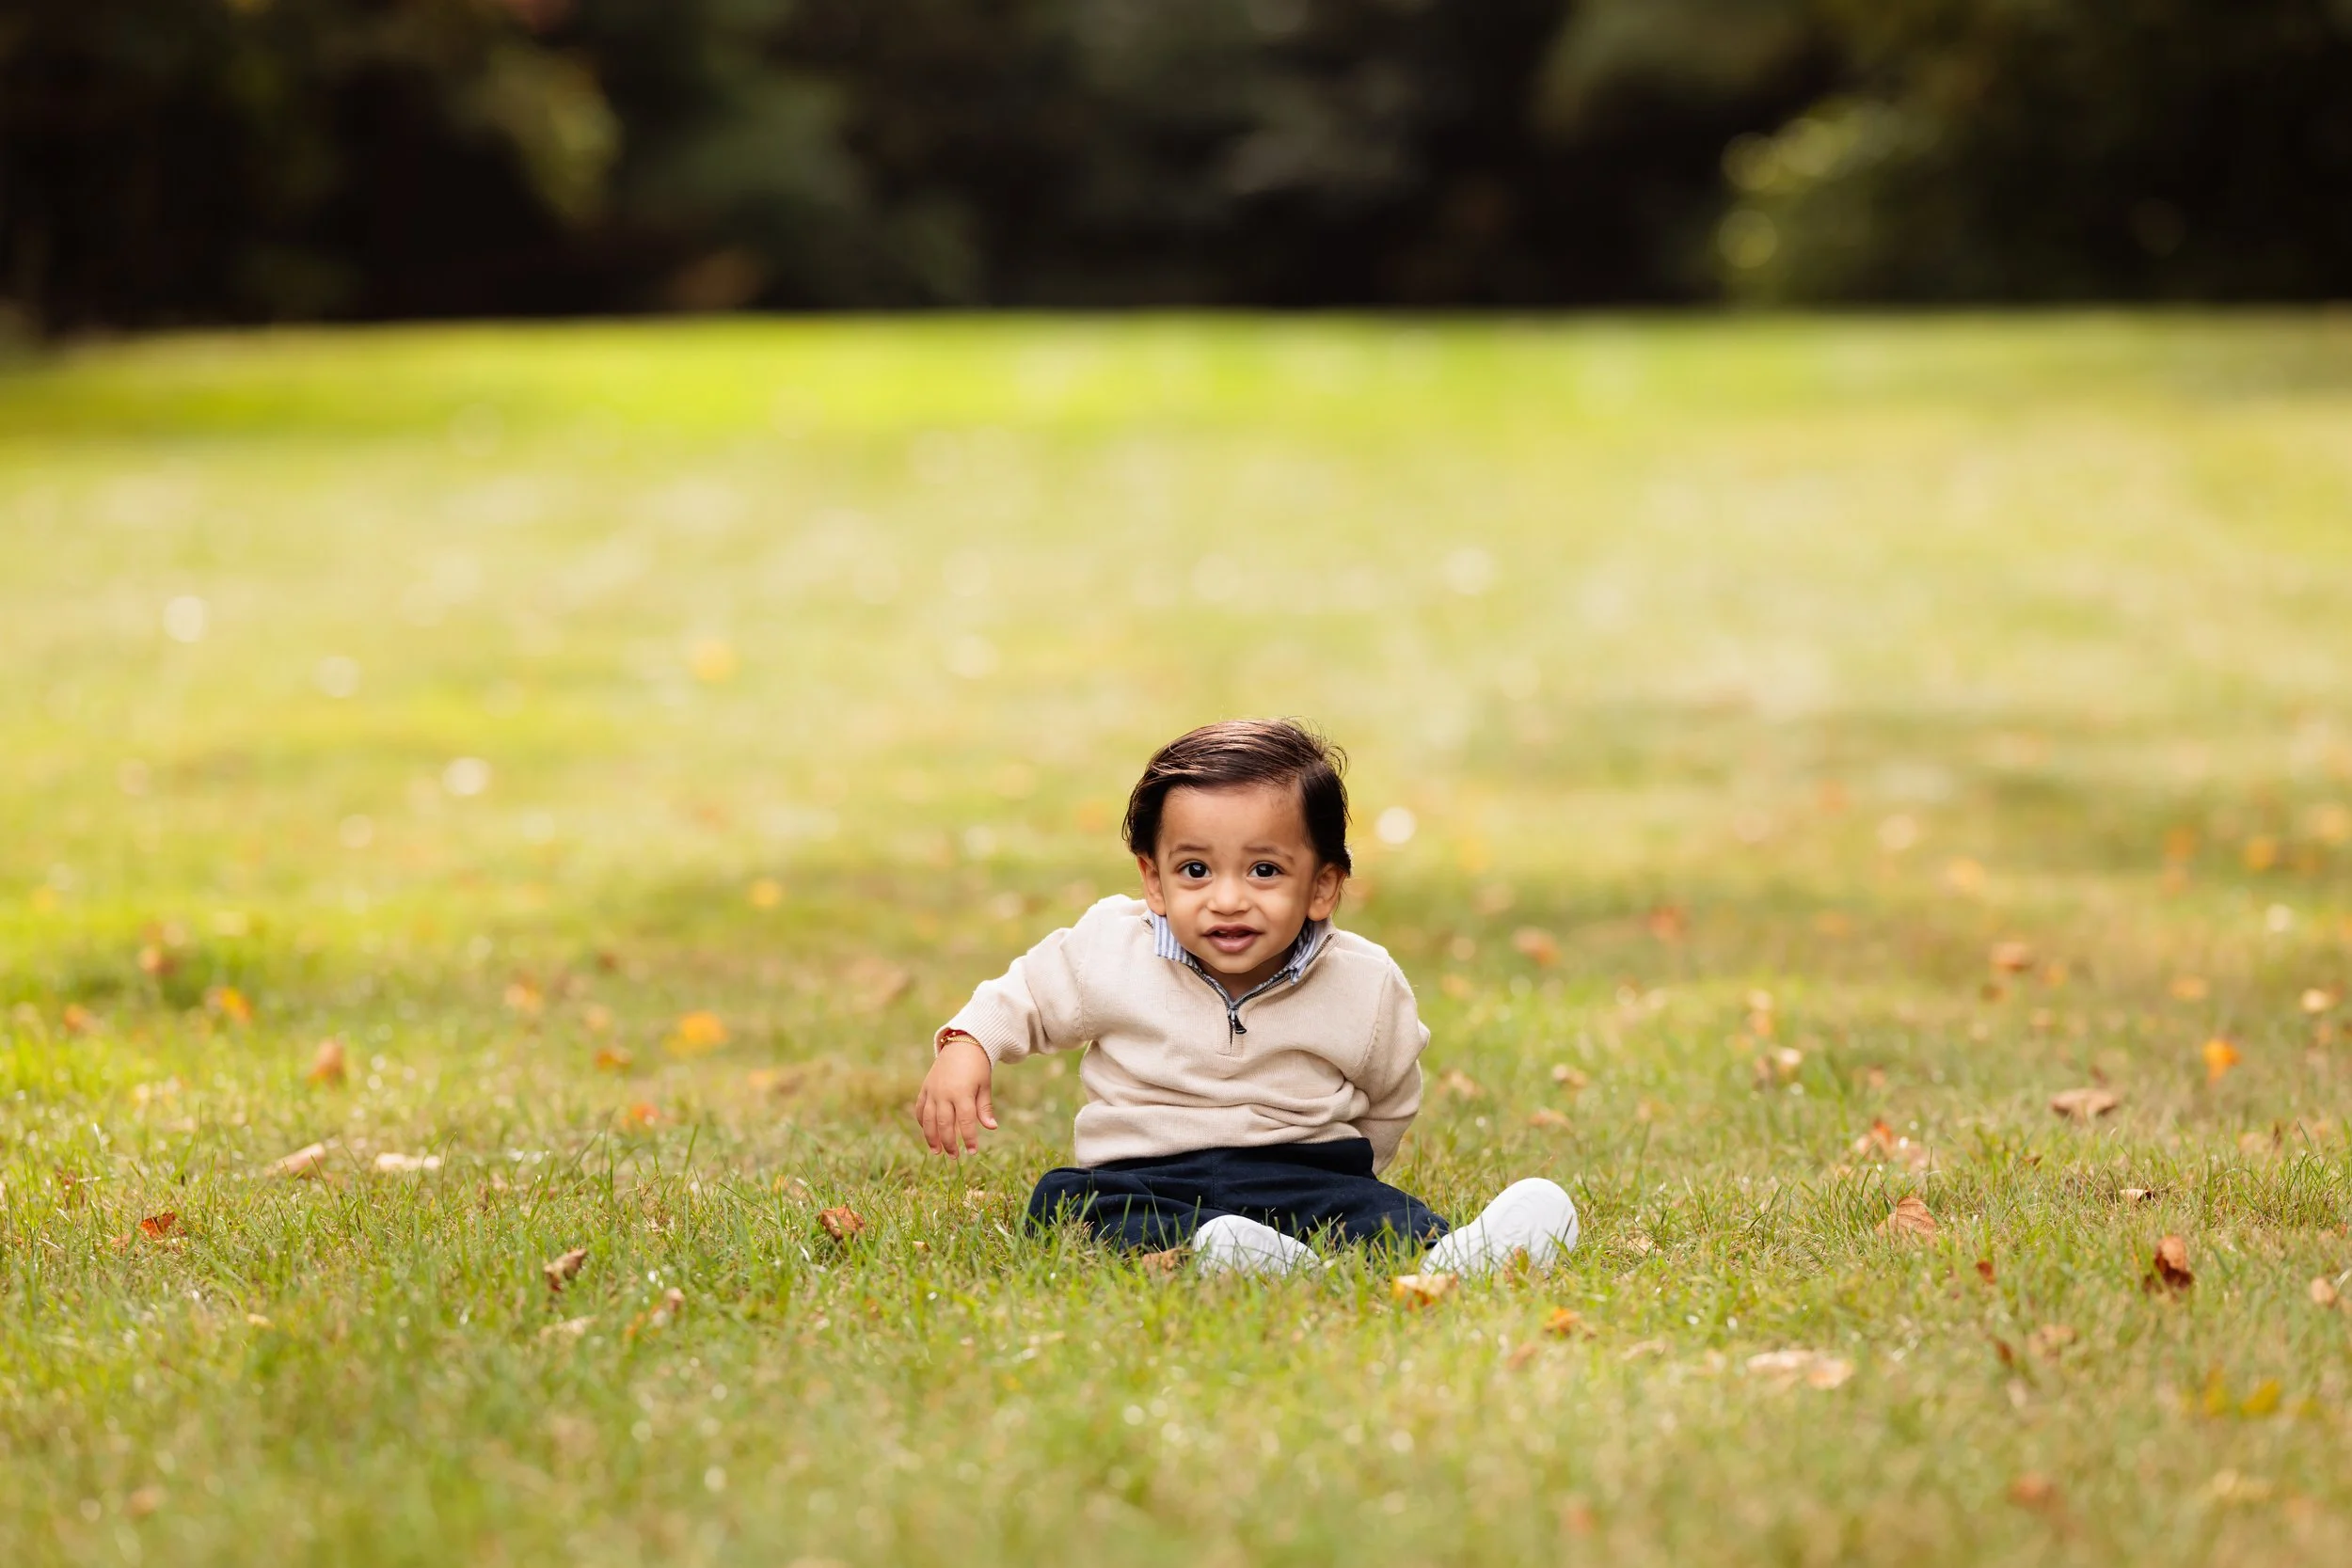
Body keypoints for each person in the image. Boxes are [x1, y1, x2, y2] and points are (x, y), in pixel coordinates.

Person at [914, 718, 1580, 1275]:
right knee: (1078, 1207)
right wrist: (968, 1045)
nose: (1228, 898)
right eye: (1195, 870)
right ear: (1154, 879)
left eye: (1265, 870)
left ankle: (1463, 1253)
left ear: (1321, 886)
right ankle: (1238, 1254)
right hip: (1148, 1174)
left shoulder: (1365, 982)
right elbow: (1026, 993)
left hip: (1300, 1172)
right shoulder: (1109, 949)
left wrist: (1357, 1170)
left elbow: (1391, 1093)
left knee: (1371, 1211)